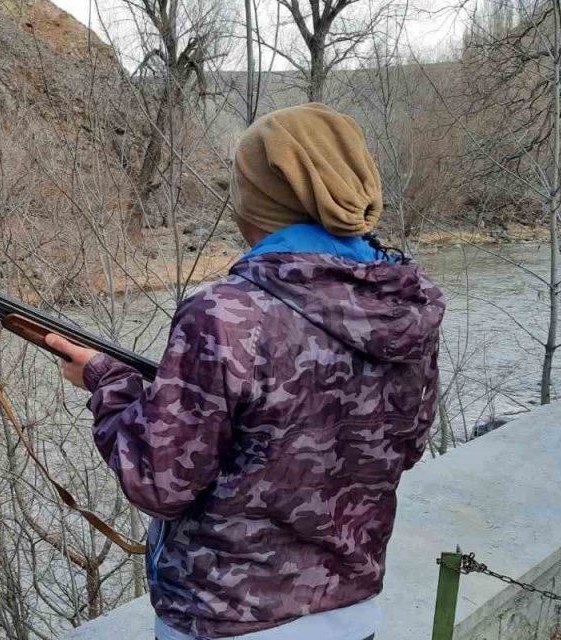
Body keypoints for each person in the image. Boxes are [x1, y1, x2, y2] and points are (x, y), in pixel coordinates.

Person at [44, 103, 445, 640]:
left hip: (226, 620)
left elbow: (158, 482)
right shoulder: (407, 305)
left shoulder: (223, 314)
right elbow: (406, 445)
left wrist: (107, 383)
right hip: (352, 613)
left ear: (260, 198)